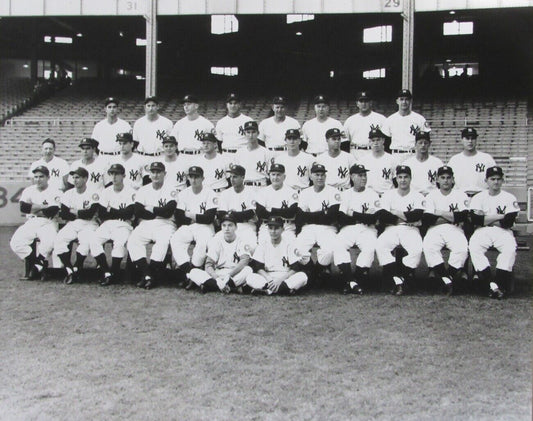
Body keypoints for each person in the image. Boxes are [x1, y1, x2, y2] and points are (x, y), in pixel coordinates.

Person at [468, 166, 520, 299]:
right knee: (474, 247)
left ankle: (497, 284)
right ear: (486, 180)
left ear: (503, 180)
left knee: (510, 249)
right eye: (492, 179)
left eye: (498, 179)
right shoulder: (479, 197)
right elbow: (475, 220)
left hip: (503, 231)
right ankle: (493, 284)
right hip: (483, 231)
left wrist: (486, 218)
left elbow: (508, 222)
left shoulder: (509, 197)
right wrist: (500, 216)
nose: (496, 182)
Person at [375, 165, 425, 295]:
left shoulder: (418, 196)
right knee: (381, 245)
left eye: (406, 177)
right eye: (400, 177)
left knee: (417, 249)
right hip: (391, 228)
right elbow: (382, 215)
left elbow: (418, 215)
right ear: (396, 178)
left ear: (410, 178)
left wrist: (395, 212)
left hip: (411, 230)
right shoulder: (388, 194)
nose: (403, 180)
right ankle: (397, 279)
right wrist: (406, 217)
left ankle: (404, 277)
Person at [127, 162, 177, 289]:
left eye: (159, 172)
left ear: (164, 174)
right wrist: (158, 212)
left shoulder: (171, 189)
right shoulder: (143, 190)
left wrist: (151, 209)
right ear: (149, 174)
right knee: (133, 240)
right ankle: (148, 275)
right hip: (146, 223)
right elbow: (138, 211)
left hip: (166, 224)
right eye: (153, 172)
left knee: (163, 243)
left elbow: (169, 211)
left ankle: (151, 275)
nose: (155, 174)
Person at [422, 166, 470, 295]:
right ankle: (447, 279)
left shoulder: (461, 195)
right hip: (435, 229)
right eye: (442, 178)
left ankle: (447, 277)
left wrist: (440, 213)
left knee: (461, 248)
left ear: (453, 180)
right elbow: (428, 219)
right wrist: (452, 217)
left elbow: (463, 216)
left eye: (449, 178)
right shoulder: (431, 196)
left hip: (455, 229)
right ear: (437, 179)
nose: (446, 181)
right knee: (429, 247)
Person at [333, 164, 380, 295]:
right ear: (352, 177)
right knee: (338, 245)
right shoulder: (346, 194)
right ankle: (353, 282)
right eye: (360, 175)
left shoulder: (373, 194)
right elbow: (341, 218)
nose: (364, 178)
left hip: (367, 229)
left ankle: (352, 281)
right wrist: (363, 217)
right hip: (349, 228)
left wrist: (353, 214)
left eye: (365, 175)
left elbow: (374, 218)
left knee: (370, 248)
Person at [10, 166, 61, 280]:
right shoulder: (29, 190)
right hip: (32, 221)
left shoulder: (55, 190)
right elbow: (23, 208)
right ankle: (40, 265)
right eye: (36, 177)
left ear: (48, 177)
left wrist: (33, 207)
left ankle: (36, 267)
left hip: (48, 222)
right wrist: (43, 207)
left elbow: (52, 211)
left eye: (41, 176)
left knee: (49, 243)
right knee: (16, 242)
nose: (38, 179)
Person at [89, 164, 136, 286]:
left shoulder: (131, 192)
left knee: (119, 243)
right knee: (93, 240)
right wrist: (119, 212)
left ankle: (114, 272)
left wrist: (111, 210)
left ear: (124, 176)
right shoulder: (106, 191)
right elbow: (103, 213)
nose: (114, 177)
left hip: (124, 224)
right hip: (107, 224)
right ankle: (107, 272)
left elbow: (130, 212)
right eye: (112, 174)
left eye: (117, 174)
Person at [294, 163, 341, 284]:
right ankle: (312, 270)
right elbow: (300, 215)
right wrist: (322, 214)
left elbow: (332, 216)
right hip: (308, 228)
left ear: (325, 176)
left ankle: (315, 273)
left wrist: (310, 216)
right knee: (297, 250)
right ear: (311, 176)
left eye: (322, 175)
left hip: (328, 228)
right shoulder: (305, 192)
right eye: (317, 175)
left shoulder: (333, 192)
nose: (320, 177)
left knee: (330, 250)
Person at [54, 167, 100, 284]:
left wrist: (75, 211)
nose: (75, 180)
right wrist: (81, 214)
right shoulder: (68, 193)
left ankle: (77, 267)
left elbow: (91, 213)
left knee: (85, 242)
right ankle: (70, 269)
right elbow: (64, 214)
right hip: (73, 223)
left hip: (90, 224)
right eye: (73, 178)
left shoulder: (93, 193)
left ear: (85, 179)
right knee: (59, 239)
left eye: (78, 177)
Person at [186, 212, 253, 293]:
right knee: (194, 272)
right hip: (218, 273)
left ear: (236, 227)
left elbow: (244, 261)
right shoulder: (217, 240)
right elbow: (208, 265)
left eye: (230, 225)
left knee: (248, 270)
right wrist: (217, 279)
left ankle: (212, 286)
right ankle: (229, 287)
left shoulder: (242, 240)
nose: (227, 228)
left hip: (234, 273)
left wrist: (229, 275)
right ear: (221, 227)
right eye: (224, 225)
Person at [170, 166, 218, 278]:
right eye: (191, 177)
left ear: (203, 178)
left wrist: (190, 215)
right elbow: (179, 217)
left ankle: (194, 270)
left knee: (202, 243)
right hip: (188, 226)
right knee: (175, 239)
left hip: (205, 227)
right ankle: (188, 271)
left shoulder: (210, 193)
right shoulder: (183, 193)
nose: (193, 180)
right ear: (188, 178)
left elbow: (209, 218)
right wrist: (198, 217)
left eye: (197, 177)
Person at [246, 216, 308, 295]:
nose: (273, 231)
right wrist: (269, 279)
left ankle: (268, 290)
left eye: (276, 228)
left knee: (302, 277)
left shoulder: (289, 244)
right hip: (268, 276)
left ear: (282, 229)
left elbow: (295, 268)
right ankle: (284, 290)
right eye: (270, 228)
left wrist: (280, 280)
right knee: (250, 277)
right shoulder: (263, 244)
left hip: (285, 276)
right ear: (267, 229)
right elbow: (258, 267)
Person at [255, 163, 299, 244]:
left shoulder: (292, 192)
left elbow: (291, 213)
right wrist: (283, 212)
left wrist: (271, 210)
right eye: (273, 174)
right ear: (269, 176)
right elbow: (261, 213)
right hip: (268, 227)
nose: (275, 177)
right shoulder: (262, 192)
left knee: (289, 247)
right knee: (263, 246)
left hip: (286, 227)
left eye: (278, 175)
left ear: (284, 177)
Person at [383, 89, 430, 163]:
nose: (404, 102)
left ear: (411, 101)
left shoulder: (419, 119)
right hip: (396, 155)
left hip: (413, 154)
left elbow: (426, 139)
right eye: (401, 99)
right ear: (397, 101)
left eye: (407, 99)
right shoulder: (390, 120)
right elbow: (386, 143)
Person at [217, 164, 258, 247]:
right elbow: (221, 214)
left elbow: (250, 213)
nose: (232, 179)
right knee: (215, 242)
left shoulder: (252, 192)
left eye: (235, 177)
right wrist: (239, 214)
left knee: (251, 246)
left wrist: (230, 213)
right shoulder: (225, 193)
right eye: (231, 177)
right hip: (229, 226)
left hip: (247, 226)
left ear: (243, 177)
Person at [447, 127, 496, 195]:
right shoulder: (454, 160)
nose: (470, 141)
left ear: (476, 140)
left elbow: (494, 179)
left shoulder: (486, 158)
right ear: (462, 140)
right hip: (460, 196)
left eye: (473, 138)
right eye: (467, 138)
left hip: (482, 195)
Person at [343, 91, 387, 161]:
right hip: (355, 153)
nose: (364, 104)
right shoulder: (350, 120)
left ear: (371, 103)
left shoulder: (381, 119)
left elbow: (386, 141)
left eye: (366, 101)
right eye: (361, 101)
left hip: (373, 152)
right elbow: (345, 143)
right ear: (357, 103)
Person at [132, 96, 173, 170]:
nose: (151, 108)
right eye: (148, 106)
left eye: (153, 105)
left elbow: (172, 143)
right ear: (145, 107)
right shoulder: (138, 123)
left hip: (160, 157)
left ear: (158, 107)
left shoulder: (167, 123)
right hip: (142, 157)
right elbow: (135, 142)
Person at [91, 97, 132, 162]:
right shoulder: (99, 126)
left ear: (117, 109)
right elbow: (94, 144)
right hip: (103, 157)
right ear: (105, 109)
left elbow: (130, 144)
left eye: (114, 107)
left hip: (119, 157)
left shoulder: (125, 125)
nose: (112, 109)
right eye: (109, 107)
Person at [402, 131, 443, 195]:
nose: (423, 145)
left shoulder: (437, 163)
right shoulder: (407, 163)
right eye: (420, 143)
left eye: (425, 143)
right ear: (415, 144)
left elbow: (442, 183)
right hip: (413, 197)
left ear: (429, 144)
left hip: (432, 196)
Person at [233, 121, 271, 188]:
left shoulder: (266, 152)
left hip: (260, 186)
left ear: (258, 133)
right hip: (244, 187)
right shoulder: (239, 153)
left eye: (253, 132)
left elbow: (271, 174)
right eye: (248, 132)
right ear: (244, 133)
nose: (251, 135)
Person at [359, 128, 395, 195]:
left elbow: (396, 182)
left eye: (378, 140)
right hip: (369, 196)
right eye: (373, 140)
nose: (375, 143)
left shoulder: (392, 159)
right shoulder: (363, 161)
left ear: (383, 140)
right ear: (369, 142)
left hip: (387, 195)